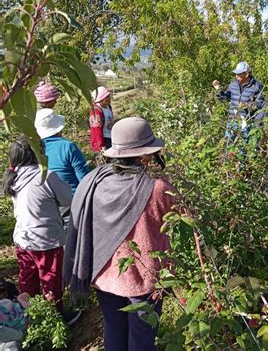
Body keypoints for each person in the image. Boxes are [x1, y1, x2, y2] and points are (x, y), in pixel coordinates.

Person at [64, 117, 175, 351]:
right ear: (146, 155)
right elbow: (182, 216)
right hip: (143, 280)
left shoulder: (96, 182)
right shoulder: (158, 188)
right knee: (141, 338)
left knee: (114, 330)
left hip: (104, 275)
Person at [1, 138, 73, 317]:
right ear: (37, 154)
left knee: (28, 278)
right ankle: (55, 315)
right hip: (46, 240)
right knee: (50, 280)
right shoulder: (46, 176)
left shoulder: (14, 176)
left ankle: (28, 315)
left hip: (23, 238)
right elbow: (67, 200)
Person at [34, 108, 90, 196]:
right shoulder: (68, 147)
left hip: (49, 198)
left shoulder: (35, 149)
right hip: (73, 198)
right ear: (60, 129)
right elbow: (84, 178)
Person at [212, 61, 265, 143]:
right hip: (232, 121)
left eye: (239, 74)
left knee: (242, 148)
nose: (236, 76)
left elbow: (260, 104)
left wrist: (246, 105)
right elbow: (225, 99)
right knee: (229, 145)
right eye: (236, 74)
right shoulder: (233, 84)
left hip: (246, 123)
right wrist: (218, 90)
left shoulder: (256, 86)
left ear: (246, 74)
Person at [0, 286, 30, 351]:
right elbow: (7, 302)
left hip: (24, 321)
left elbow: (19, 336)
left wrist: (25, 335)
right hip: (19, 306)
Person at [90, 86, 113, 152]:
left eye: (109, 96)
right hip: (103, 139)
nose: (109, 99)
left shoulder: (108, 107)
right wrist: (101, 145)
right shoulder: (96, 111)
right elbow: (96, 129)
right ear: (101, 98)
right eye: (107, 97)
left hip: (110, 137)